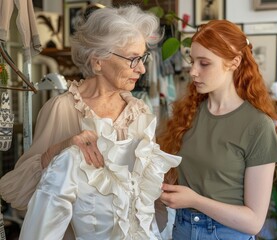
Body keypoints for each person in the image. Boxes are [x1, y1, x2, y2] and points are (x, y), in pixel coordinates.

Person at [0, 4, 177, 239]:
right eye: (133, 59)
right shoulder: (63, 108)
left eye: (143, 57)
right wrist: (66, 145)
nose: (142, 69)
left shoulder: (139, 110)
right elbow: (21, 191)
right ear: (98, 62)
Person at [158, 19, 277, 240]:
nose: (193, 72)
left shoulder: (257, 126)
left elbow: (254, 222)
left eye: (204, 63)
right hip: (181, 230)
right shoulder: (186, 114)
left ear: (234, 62)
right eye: (192, 61)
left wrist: (194, 200)